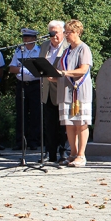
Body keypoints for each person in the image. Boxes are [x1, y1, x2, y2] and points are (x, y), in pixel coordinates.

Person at [57, 19, 93, 167]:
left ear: (77, 32)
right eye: (65, 31)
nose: (66, 34)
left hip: (80, 90)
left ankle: (81, 155)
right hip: (66, 91)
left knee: (81, 123)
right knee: (69, 124)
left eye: (69, 32)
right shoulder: (66, 51)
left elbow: (83, 69)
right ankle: (72, 153)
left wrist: (64, 72)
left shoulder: (83, 48)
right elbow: (62, 71)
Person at [40, 21, 69, 163]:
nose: (53, 35)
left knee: (63, 124)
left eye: (56, 32)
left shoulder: (68, 46)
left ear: (63, 32)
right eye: (51, 32)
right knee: (49, 123)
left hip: (62, 89)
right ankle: (50, 153)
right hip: (47, 90)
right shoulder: (45, 46)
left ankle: (63, 152)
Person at [8, 28, 42, 151]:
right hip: (22, 84)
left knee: (35, 114)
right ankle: (20, 141)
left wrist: (22, 68)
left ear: (33, 39)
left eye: (27, 38)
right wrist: (23, 70)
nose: (25, 40)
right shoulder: (19, 51)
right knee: (21, 113)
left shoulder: (39, 51)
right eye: (24, 38)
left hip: (35, 85)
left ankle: (34, 141)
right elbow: (12, 68)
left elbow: (40, 69)